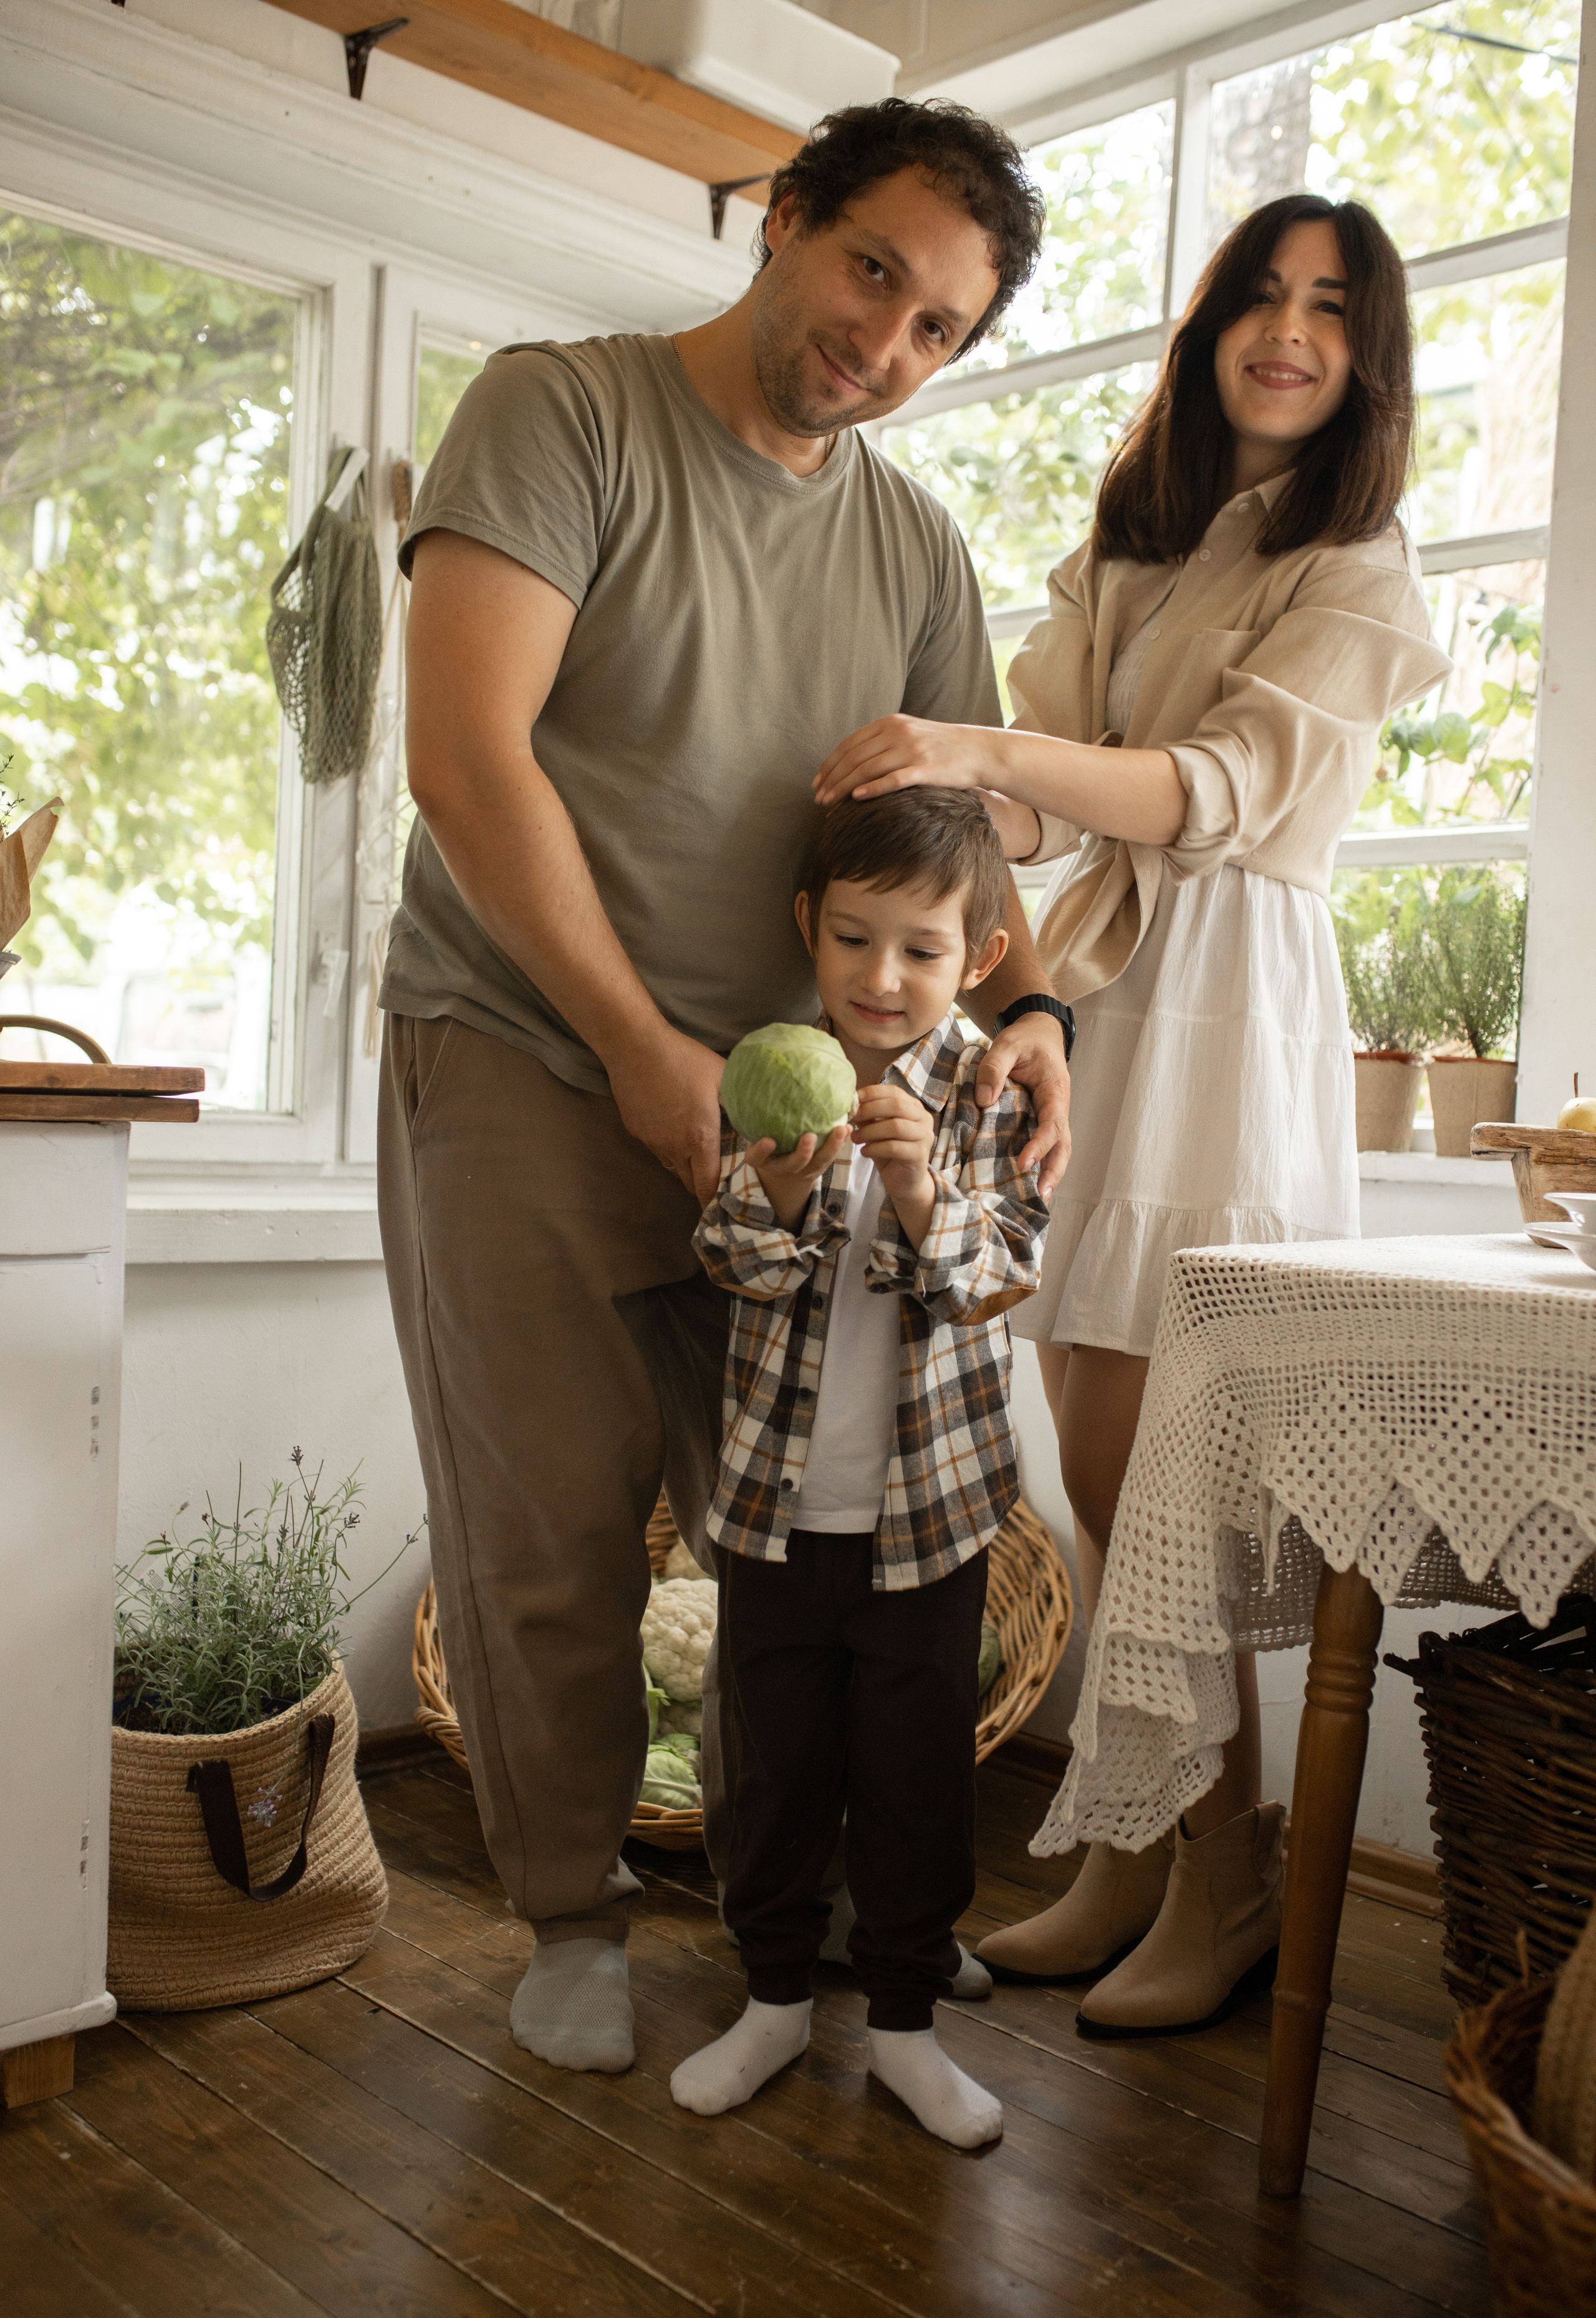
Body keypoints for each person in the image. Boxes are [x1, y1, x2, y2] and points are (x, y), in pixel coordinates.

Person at [381, 100, 1073, 2079]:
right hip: (523, 1051)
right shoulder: (563, 413)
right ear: (785, 222)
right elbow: (465, 760)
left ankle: (798, 1921)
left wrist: (1045, 1023)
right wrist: (635, 1049)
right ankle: (570, 1911)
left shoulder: (915, 545)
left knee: (795, 1549)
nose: (887, 345)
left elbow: (967, 868)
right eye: (873, 273)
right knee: (552, 1535)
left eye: (940, 328)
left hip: (793, 1119)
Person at [811, 193, 1450, 2036]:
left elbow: (1220, 789)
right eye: (1260, 294)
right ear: (1211, 324)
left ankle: (1230, 1875)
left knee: (1180, 1457)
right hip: (1089, 1000)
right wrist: (921, 782)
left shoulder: (1365, 560)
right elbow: (1035, 797)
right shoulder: (1137, 536)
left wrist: (992, 759)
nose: (1289, 331)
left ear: (1367, 353)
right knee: (1089, 1454)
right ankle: (1139, 1835)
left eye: (1333, 308)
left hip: (1231, 999)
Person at [671, 789, 1049, 2147]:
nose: (881, 979)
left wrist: (919, 1193)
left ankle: (901, 2025)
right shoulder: (768, 1067)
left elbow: (1001, 1274)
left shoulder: (986, 1096)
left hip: (926, 1526)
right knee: (770, 1771)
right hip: (776, 1514)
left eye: (921, 951)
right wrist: (776, 1197)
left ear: (980, 958)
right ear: (806, 933)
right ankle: (773, 1999)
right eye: (851, 940)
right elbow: (728, 1261)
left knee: (911, 1778)